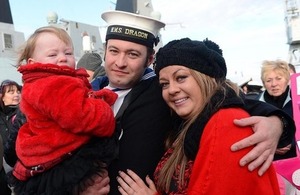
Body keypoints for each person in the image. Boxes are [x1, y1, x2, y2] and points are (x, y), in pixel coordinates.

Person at [87, 10, 295, 195]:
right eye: (114, 51)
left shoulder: (158, 92)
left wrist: (277, 122)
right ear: (105, 51)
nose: (120, 62)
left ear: (149, 59)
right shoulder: (85, 94)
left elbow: (226, 102)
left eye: (133, 54)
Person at [116, 37, 280, 195]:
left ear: (205, 78)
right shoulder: (188, 124)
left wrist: (277, 121)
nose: (171, 89)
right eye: (164, 84)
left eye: (181, 78)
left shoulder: (227, 124)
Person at [7, 26, 118, 195]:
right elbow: (83, 117)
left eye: (68, 53)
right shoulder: (52, 84)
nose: (62, 59)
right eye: (52, 54)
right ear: (33, 63)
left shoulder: (39, 82)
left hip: (43, 159)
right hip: (61, 162)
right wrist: (104, 107)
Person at [259, 59, 297, 194]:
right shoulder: (256, 105)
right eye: (268, 80)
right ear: (263, 83)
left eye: (278, 78)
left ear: (287, 79)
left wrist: (291, 143)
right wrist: (272, 146)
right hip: (270, 167)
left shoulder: (297, 101)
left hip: (296, 163)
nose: (274, 84)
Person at [0, 79, 21, 195]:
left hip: (18, 165)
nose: (16, 95)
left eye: (18, 91)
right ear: (2, 97)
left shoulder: (22, 114)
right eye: (11, 92)